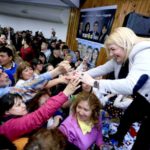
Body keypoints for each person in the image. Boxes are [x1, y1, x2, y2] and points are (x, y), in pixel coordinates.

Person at [77, 27, 150, 150]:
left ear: (124, 43)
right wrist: (81, 75)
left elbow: (130, 85)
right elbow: (102, 69)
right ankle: (118, 137)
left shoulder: (145, 53)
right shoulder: (123, 56)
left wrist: (95, 83)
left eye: (113, 49)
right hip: (144, 97)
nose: (110, 54)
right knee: (128, 116)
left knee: (143, 142)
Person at [0, 78, 80, 141]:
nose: (23, 106)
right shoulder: (11, 125)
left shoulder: (22, 111)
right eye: (18, 105)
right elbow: (40, 115)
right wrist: (65, 93)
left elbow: (34, 89)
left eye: (22, 102)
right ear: (7, 111)